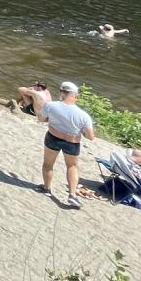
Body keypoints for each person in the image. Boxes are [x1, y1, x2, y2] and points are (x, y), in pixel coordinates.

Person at [37, 81, 95, 209]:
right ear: (75, 95)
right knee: (72, 167)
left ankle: (46, 188)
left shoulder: (50, 105)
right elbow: (91, 137)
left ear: (62, 93)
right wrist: (82, 133)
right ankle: (72, 194)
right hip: (72, 142)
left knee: (48, 164)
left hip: (53, 137)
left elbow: (41, 119)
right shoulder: (83, 115)